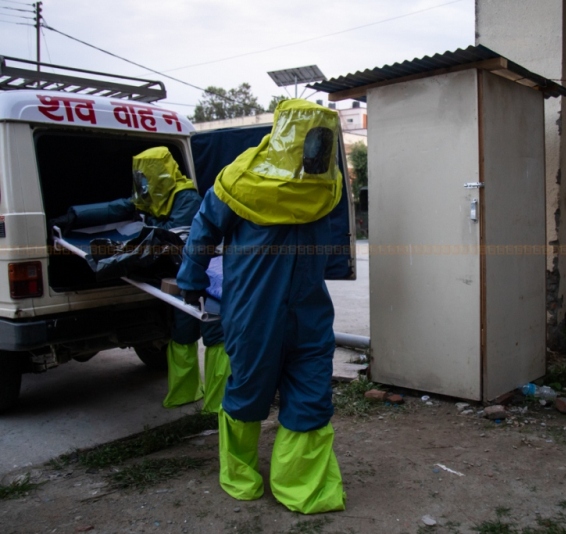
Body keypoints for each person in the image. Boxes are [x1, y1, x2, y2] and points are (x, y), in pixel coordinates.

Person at [176, 99, 346, 513]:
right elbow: (204, 229)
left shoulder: (326, 185)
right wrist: (191, 278)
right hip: (254, 313)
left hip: (309, 313)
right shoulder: (239, 181)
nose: (318, 149)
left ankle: (302, 487)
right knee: (248, 393)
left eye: (324, 139)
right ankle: (239, 473)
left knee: (311, 396)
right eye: (312, 139)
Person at [51, 147, 230, 413]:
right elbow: (118, 207)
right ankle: (185, 392)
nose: (142, 183)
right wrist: (72, 217)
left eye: (146, 176)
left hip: (203, 274)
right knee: (182, 332)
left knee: (213, 333)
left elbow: (171, 238)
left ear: (161, 174)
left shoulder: (187, 199)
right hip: (175, 275)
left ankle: (217, 404)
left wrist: (127, 244)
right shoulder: (151, 196)